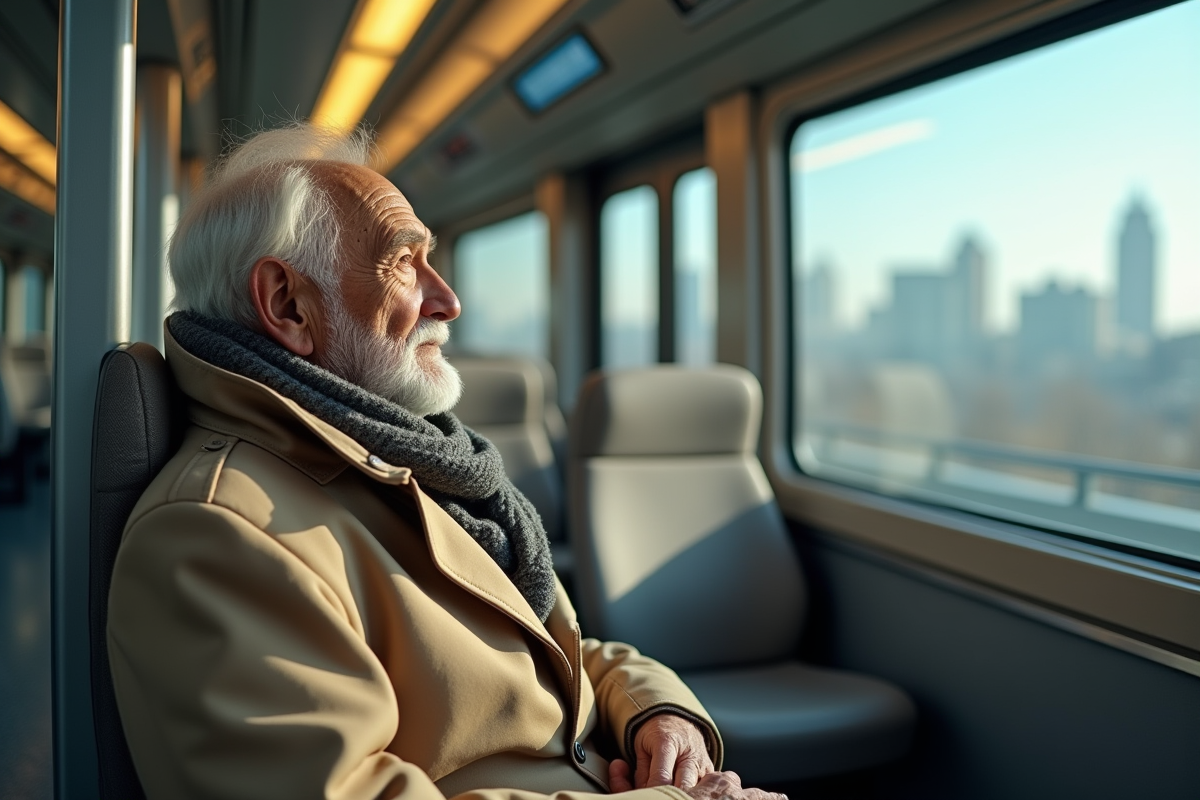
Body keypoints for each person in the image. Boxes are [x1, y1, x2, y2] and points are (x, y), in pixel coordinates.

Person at [106, 123, 787, 800]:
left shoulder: (404, 456)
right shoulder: (219, 534)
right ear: (288, 304)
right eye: (404, 262)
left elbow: (553, 654)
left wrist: (656, 712)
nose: (448, 301)